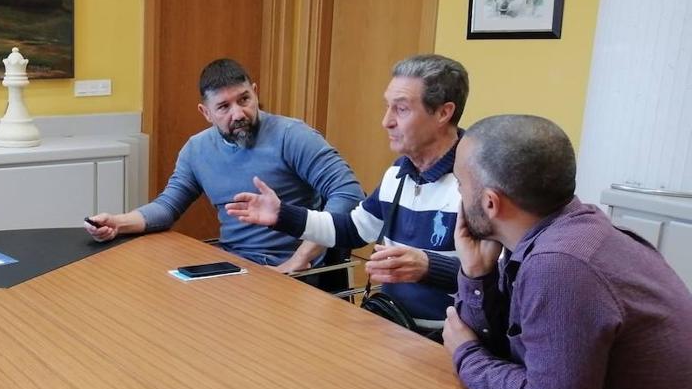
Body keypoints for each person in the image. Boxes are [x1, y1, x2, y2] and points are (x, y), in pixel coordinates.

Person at [443, 114, 692, 389]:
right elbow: (510, 356)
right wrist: (477, 274)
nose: (458, 196)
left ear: (489, 203)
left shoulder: (561, 264)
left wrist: (467, 358)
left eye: (460, 185)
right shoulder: (561, 233)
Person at [226, 54, 468, 328]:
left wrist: (429, 268)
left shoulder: (477, 184)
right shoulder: (399, 173)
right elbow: (353, 229)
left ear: (443, 113)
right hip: (392, 327)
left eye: (401, 109)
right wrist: (283, 215)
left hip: (450, 344)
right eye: (387, 107)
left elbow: (506, 281)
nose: (386, 121)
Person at [85, 58, 363, 271]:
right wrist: (118, 223)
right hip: (234, 267)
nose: (238, 113)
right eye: (224, 107)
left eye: (244, 99)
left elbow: (349, 193)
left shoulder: (293, 136)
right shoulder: (197, 149)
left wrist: (301, 258)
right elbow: (168, 206)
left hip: (291, 269)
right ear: (205, 112)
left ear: (255, 92)